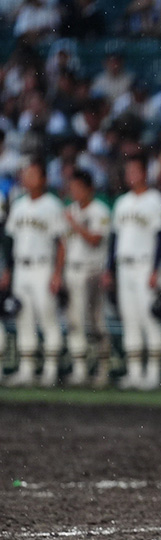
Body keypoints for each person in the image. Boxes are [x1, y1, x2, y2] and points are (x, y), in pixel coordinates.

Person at [105, 154, 161, 390]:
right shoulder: (122, 202)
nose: (131, 176)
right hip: (124, 266)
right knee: (130, 320)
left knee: (148, 318)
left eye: (135, 171)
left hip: (144, 265)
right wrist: (109, 269)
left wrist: (156, 269)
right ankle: (134, 373)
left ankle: (153, 373)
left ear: (145, 173)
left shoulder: (155, 200)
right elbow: (115, 238)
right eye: (128, 171)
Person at [3, 160, 66, 387]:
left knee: (47, 317)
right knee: (23, 318)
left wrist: (58, 273)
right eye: (26, 174)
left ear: (44, 179)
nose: (28, 178)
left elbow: (60, 243)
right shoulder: (19, 204)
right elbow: (11, 241)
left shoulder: (52, 205)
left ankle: (50, 370)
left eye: (33, 174)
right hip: (21, 267)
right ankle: (26, 369)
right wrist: (8, 270)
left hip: (43, 266)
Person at [64, 169, 111, 387]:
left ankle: (103, 370)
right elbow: (63, 246)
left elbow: (94, 240)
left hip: (92, 271)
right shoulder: (70, 210)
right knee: (74, 321)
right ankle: (80, 369)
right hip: (72, 270)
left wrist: (74, 223)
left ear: (89, 188)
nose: (75, 192)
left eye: (79, 188)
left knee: (96, 322)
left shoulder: (99, 210)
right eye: (72, 187)